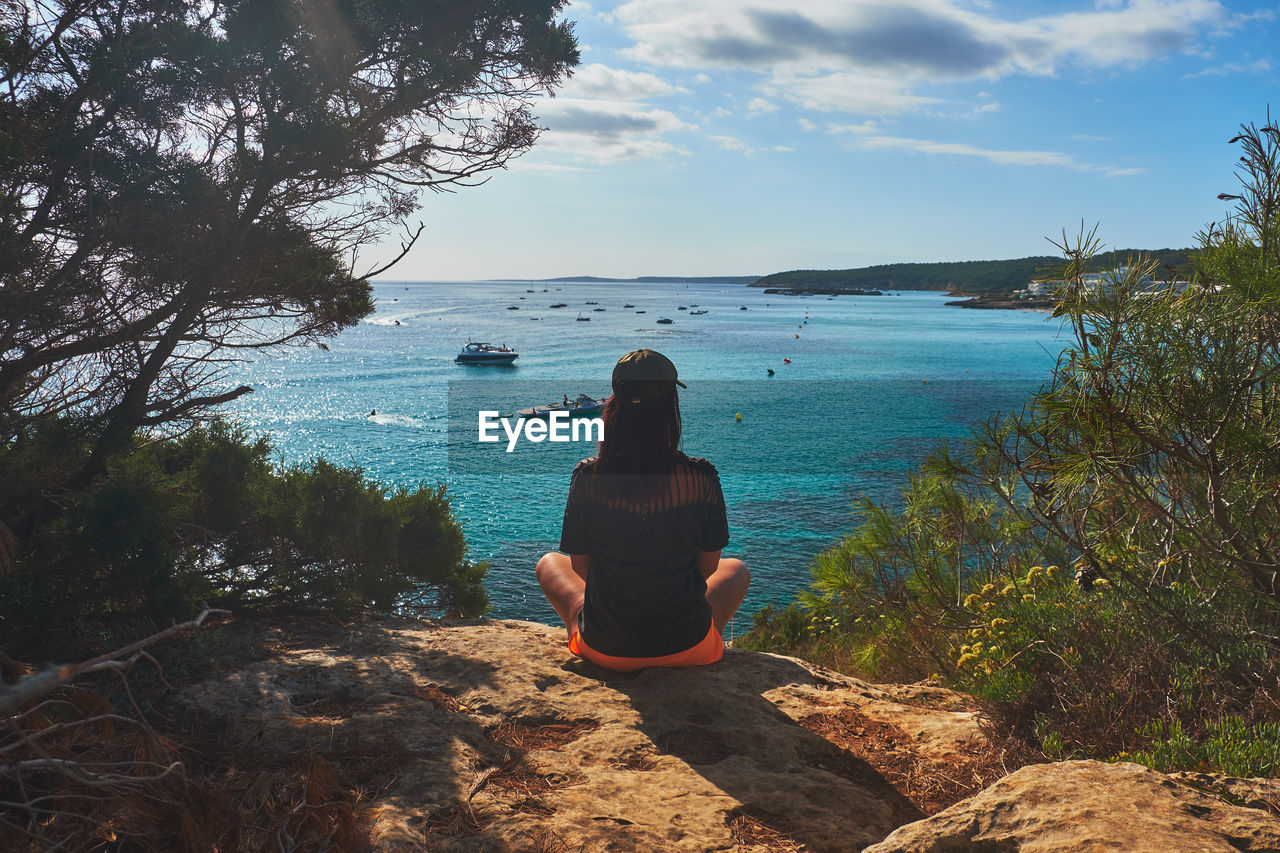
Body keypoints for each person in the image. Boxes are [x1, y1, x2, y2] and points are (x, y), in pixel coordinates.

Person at [536, 349, 750, 671]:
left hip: (607, 650)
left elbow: (582, 569)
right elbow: (707, 569)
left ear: (615, 403)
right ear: (670, 407)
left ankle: (580, 628)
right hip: (688, 648)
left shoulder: (587, 478)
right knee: (736, 570)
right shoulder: (701, 478)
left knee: (549, 562)